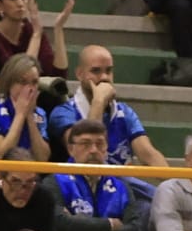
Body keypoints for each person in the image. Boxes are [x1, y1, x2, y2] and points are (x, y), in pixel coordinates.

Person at [47, 46, 170, 184]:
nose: (104, 77)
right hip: (79, 187)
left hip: (120, 188)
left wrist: (175, 186)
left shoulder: (125, 112)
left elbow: (149, 155)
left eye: (109, 71)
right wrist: (99, 101)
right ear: (80, 74)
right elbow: (86, 147)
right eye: (96, 71)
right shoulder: (63, 113)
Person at [0, 0, 71, 78]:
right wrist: (36, 35)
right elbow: (20, 78)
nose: (20, 3)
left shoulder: (31, 29)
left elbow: (58, 75)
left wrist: (58, 29)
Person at [0, 54, 51, 162]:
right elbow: (2, 155)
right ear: (8, 83)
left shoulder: (39, 113)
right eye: (23, 82)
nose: (29, 89)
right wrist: (20, 115)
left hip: (29, 175)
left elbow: (42, 159)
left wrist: (29, 116)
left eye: (34, 82)